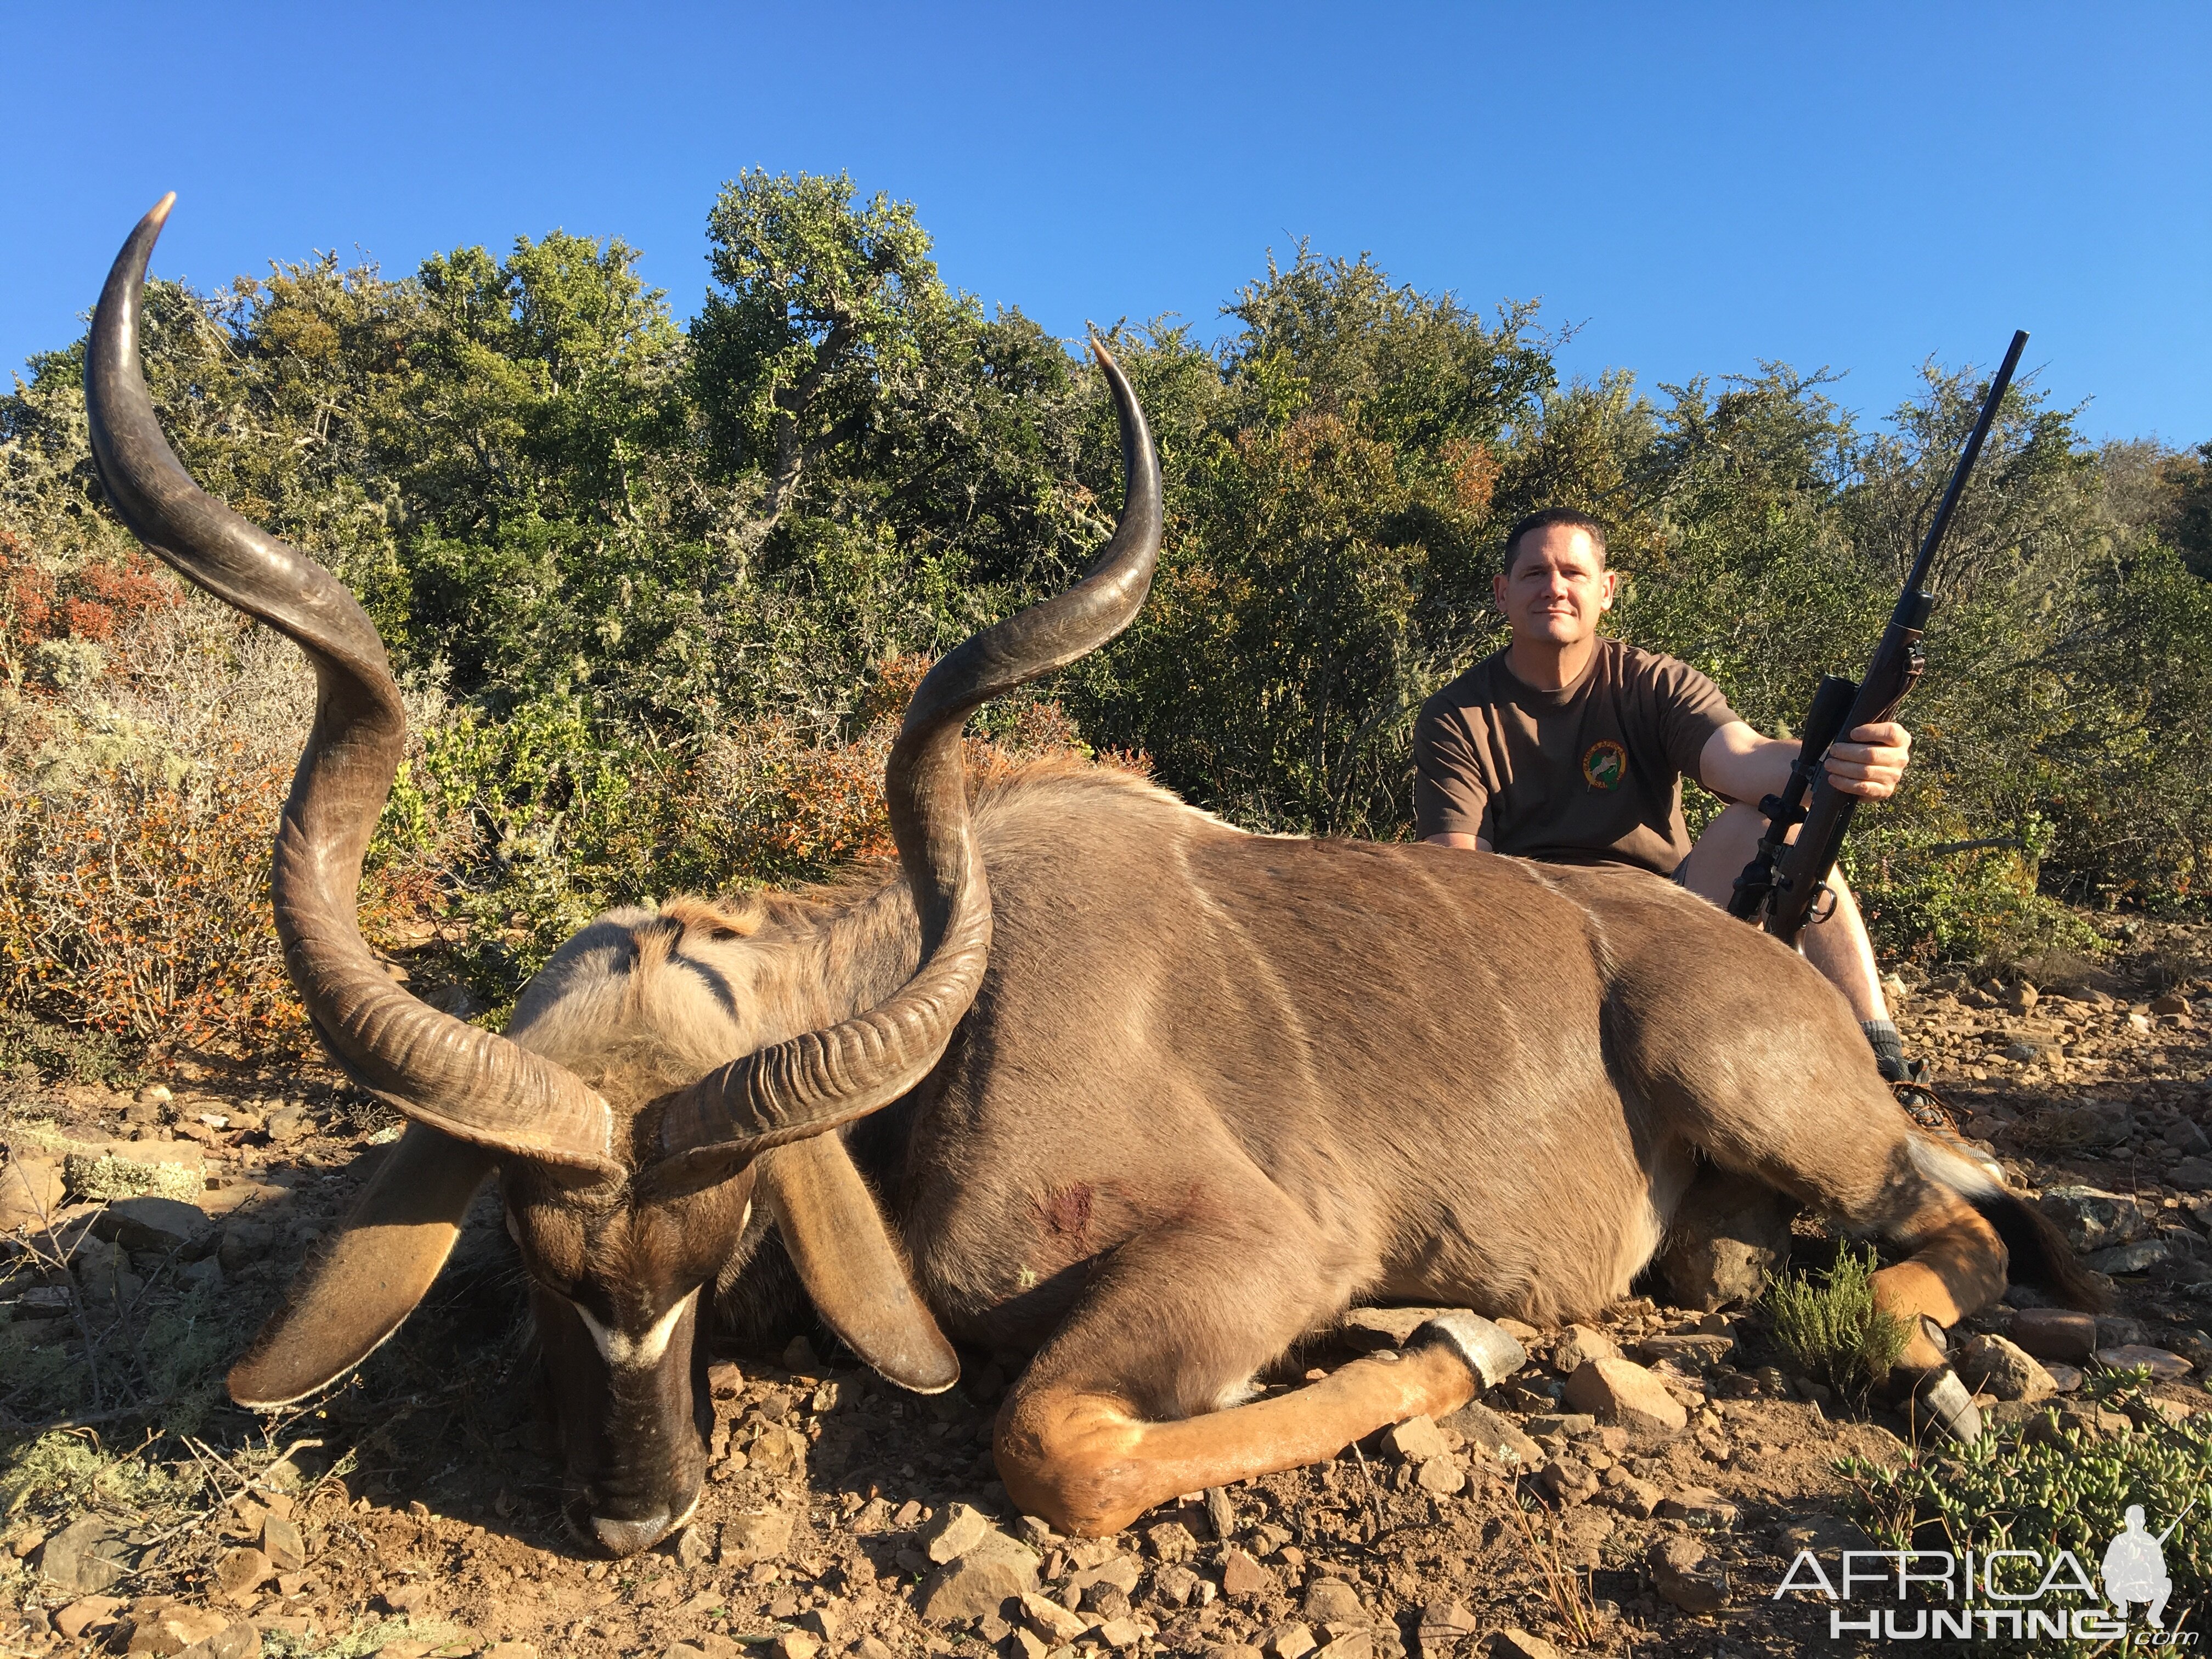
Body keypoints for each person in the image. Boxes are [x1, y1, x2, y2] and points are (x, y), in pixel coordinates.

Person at [1414, 506, 1928, 1098]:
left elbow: (1743, 758)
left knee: (1776, 826)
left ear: (1606, 591)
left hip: (1668, 920)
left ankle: (1885, 1066)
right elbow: (1462, 871)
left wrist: (1839, 762)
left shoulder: (1654, 683)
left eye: (1573, 573)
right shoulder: (1455, 715)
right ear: (1503, 593)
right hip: (1535, 942)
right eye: (1534, 574)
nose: (1554, 588)